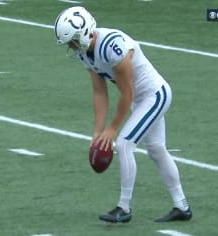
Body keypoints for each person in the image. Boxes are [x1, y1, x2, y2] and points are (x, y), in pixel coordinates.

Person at [54, 6, 192, 223]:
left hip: (154, 95)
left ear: (83, 33)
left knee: (124, 143)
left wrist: (112, 128)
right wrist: (98, 132)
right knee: (156, 150)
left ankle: (124, 208)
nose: (71, 46)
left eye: (72, 40)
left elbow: (127, 93)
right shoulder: (85, 53)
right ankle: (182, 206)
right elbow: (100, 92)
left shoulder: (113, 46)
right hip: (141, 99)